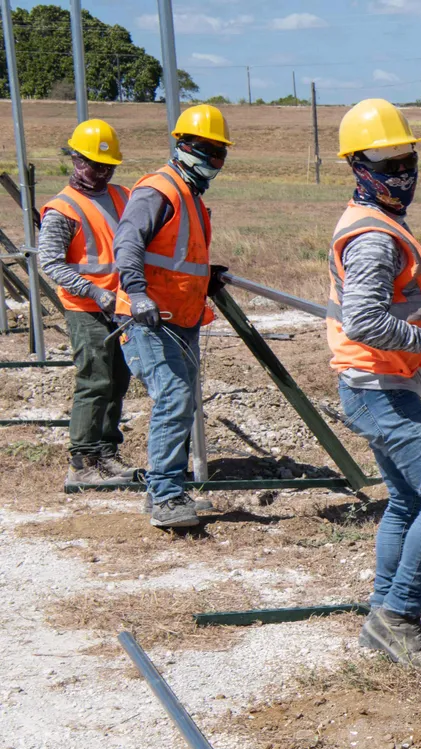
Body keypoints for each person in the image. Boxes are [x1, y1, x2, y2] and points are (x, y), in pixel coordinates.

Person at [328, 99, 421, 676]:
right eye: (386, 163)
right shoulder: (373, 237)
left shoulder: (376, 223)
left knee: (410, 500)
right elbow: (364, 320)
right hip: (376, 383)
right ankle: (400, 616)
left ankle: (380, 617)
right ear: (358, 166)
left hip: (378, 380)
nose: (401, 174)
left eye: (406, 159)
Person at [114, 104, 231, 529]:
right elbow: (126, 246)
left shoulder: (191, 197)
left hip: (181, 318)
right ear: (181, 145)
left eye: (219, 152)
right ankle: (165, 495)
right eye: (205, 149)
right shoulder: (158, 190)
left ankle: (164, 491)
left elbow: (181, 260)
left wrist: (208, 277)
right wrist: (137, 292)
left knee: (181, 400)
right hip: (148, 318)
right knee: (175, 398)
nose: (212, 160)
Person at [39, 119, 137, 488]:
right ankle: (82, 462)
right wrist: (94, 291)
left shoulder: (123, 196)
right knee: (95, 381)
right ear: (75, 160)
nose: (101, 172)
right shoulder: (62, 209)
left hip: (121, 306)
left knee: (118, 381)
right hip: (87, 309)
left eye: (107, 166)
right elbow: (51, 263)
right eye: (94, 164)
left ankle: (107, 453)